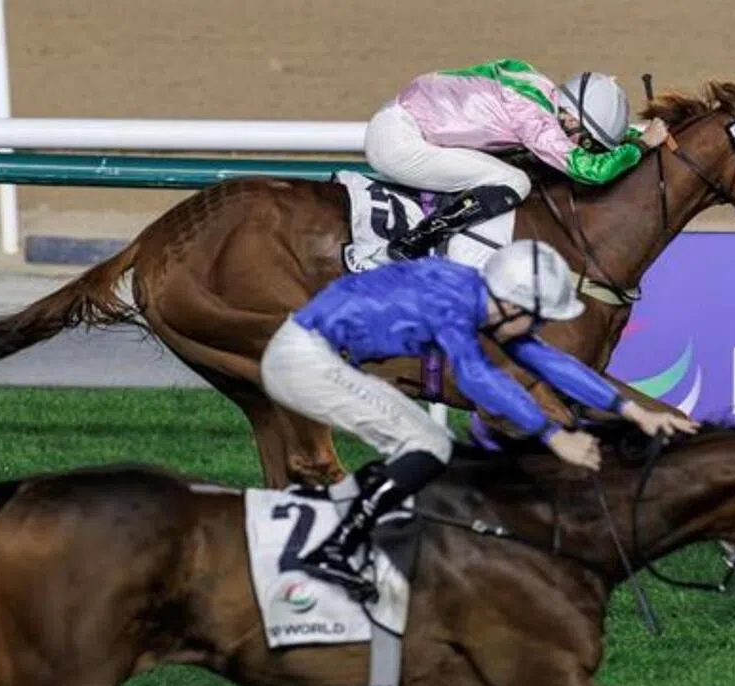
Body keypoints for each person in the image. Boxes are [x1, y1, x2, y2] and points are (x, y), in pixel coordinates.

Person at [259, 239, 696, 600]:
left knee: (428, 446)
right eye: (538, 319)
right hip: (305, 360)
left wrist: (633, 411)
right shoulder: (453, 302)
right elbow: (475, 376)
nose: (539, 328)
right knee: (427, 445)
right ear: (513, 305)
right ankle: (334, 550)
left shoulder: (481, 296)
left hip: (313, 353)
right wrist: (552, 436)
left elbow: (546, 360)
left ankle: (350, 537)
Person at [363, 59, 671, 260]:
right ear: (572, 119)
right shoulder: (535, 120)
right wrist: (642, 145)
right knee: (515, 181)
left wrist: (633, 136)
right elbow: (590, 171)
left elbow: (590, 139)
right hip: (397, 143)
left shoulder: (537, 86)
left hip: (402, 120)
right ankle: (414, 242)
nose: (583, 147)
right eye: (585, 141)